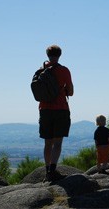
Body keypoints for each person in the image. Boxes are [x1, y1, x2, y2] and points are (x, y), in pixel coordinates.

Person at [38, 45, 74, 182]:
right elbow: (70, 92)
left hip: (44, 110)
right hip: (60, 109)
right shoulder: (64, 70)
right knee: (57, 143)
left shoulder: (41, 70)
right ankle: (53, 171)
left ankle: (47, 172)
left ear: (47, 54)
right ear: (60, 55)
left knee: (48, 143)